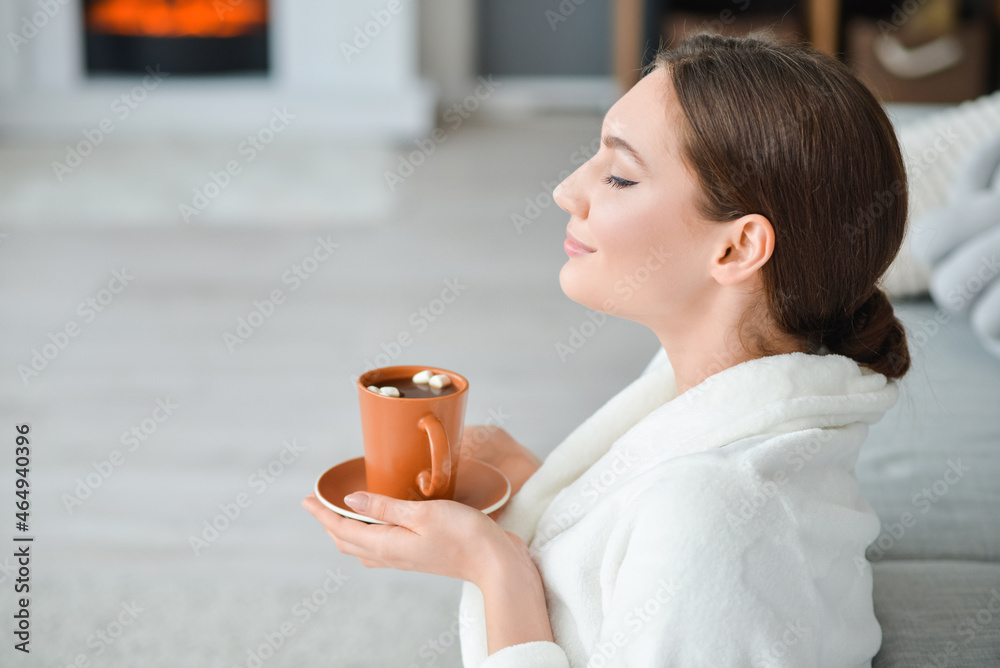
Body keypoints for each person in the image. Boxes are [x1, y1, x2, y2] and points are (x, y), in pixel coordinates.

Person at [302, 30, 911, 667]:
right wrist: (543, 493)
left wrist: (494, 564)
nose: (568, 189)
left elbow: (705, 543)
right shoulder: (720, 407)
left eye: (620, 176)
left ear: (735, 248)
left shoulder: (716, 515)